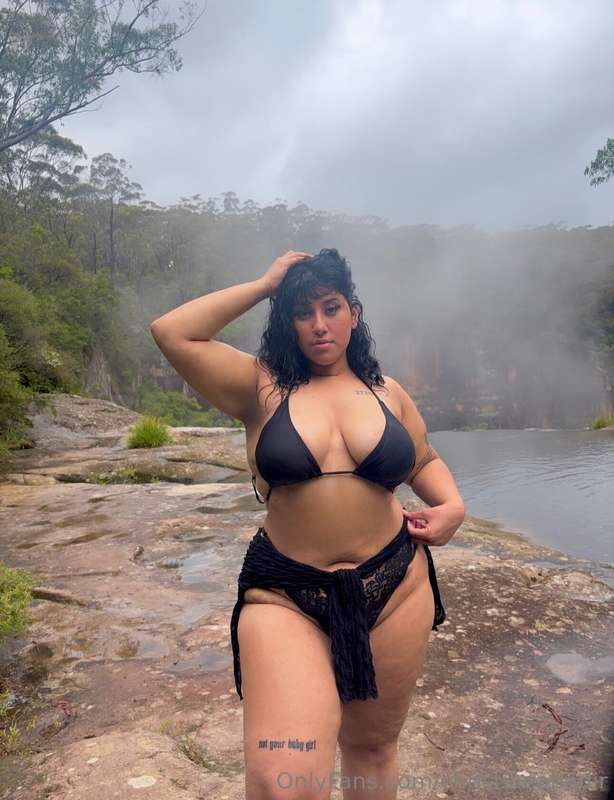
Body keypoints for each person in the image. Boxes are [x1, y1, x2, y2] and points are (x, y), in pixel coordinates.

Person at [150, 248, 465, 800]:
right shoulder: (260, 385)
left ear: (353, 314)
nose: (319, 324)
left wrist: (452, 506)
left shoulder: (387, 392)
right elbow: (172, 332)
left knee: (373, 750)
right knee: (283, 782)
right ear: (287, 321)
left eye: (331, 307)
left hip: (395, 586)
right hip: (286, 595)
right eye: (303, 312)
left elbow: (423, 459)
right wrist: (263, 284)